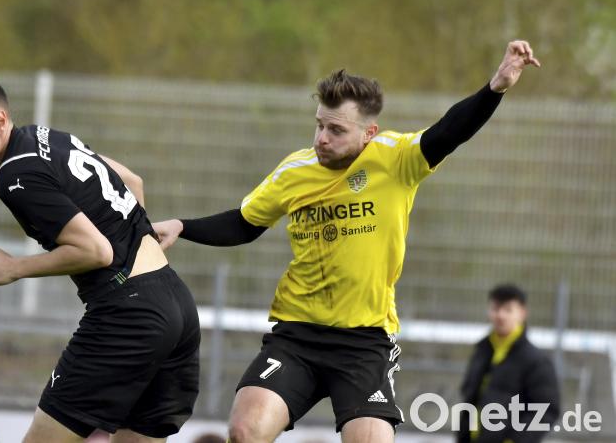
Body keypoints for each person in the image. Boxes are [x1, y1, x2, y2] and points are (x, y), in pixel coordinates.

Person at [153, 40, 541, 443]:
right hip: (297, 335)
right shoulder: (295, 170)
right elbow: (244, 224)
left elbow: (449, 131)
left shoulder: (396, 159)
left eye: (336, 130)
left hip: (365, 341)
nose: (322, 137)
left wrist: (495, 87)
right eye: (319, 124)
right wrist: (183, 226)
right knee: (244, 430)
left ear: (369, 133)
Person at [0, 79, 200, 443]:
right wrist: (134, 239)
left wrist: (14, 268)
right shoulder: (47, 137)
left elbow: (96, 251)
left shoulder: (15, 175)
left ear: (0, 120)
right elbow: (131, 180)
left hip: (128, 317)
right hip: (176, 303)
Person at [456, 284, 560, 443]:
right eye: (495, 308)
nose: (500, 315)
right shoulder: (481, 352)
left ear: (522, 313)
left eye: (508, 309)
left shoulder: (536, 361)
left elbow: (546, 411)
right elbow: (470, 401)